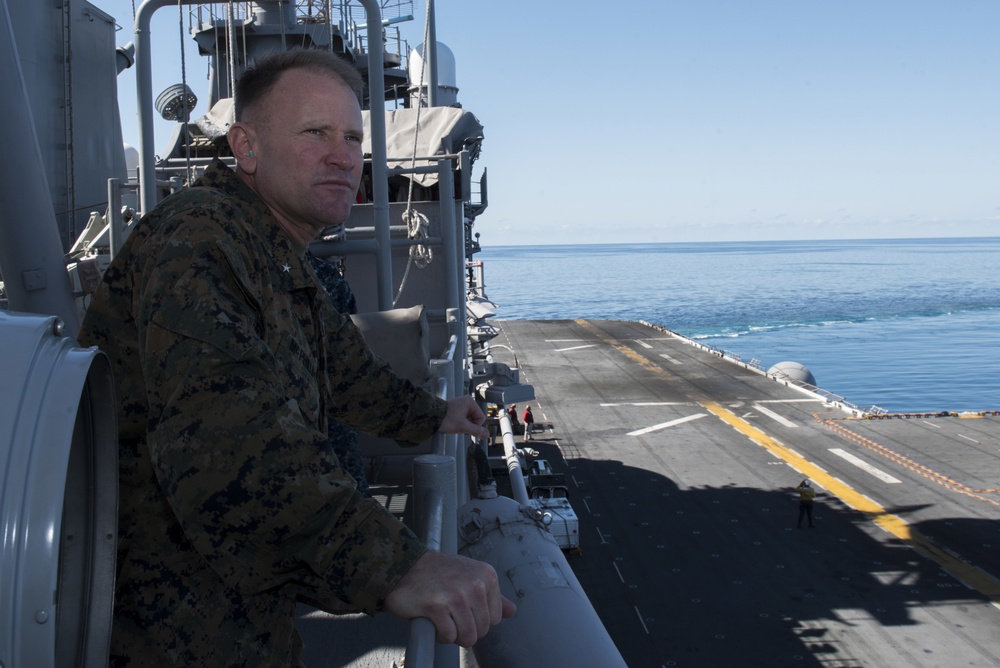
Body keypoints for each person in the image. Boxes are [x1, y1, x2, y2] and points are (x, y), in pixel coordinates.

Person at [78, 49, 513, 666]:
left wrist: (435, 414)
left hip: (234, 607)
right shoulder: (199, 245)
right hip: (167, 619)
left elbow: (342, 370)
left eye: (353, 136)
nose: (344, 156)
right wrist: (399, 566)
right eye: (315, 133)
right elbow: (235, 446)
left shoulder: (271, 251)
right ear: (247, 148)